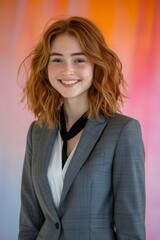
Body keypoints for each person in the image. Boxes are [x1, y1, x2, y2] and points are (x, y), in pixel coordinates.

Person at [18, 16, 145, 240]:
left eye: (79, 60)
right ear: (45, 67)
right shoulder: (37, 132)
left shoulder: (123, 131)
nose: (67, 70)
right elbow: (29, 222)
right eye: (57, 60)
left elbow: (130, 228)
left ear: (97, 64)